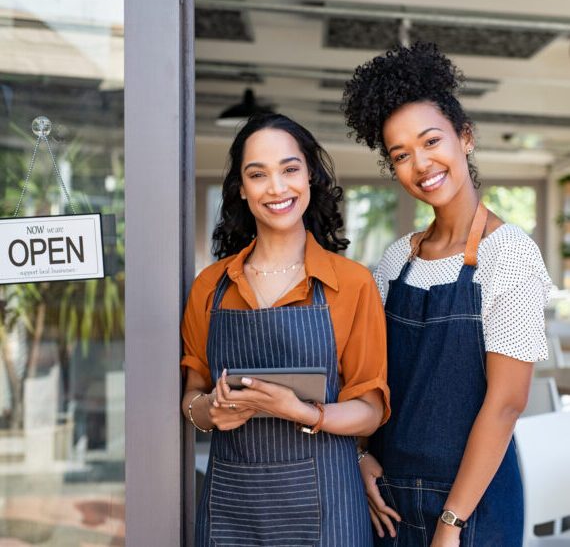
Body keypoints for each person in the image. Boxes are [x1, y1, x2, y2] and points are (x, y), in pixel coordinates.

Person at [342, 43, 552, 547]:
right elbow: (370, 379)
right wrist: (361, 455)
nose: (420, 163)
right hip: (387, 502)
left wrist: (450, 523)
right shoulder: (395, 260)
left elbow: (505, 404)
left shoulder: (511, 256)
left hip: (471, 508)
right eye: (400, 154)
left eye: (431, 140)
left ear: (465, 137)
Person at [180, 113, 391, 547]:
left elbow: (370, 407)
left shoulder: (351, 284)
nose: (277, 188)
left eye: (290, 169)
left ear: (310, 175)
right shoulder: (210, 286)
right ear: (242, 188)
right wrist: (209, 412)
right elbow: (192, 394)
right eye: (258, 174)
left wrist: (303, 412)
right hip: (231, 509)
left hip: (328, 508)